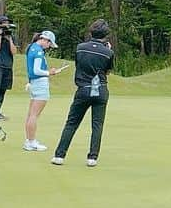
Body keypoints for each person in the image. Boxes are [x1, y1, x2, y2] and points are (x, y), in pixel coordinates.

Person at [52, 19, 114, 167]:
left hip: (83, 89)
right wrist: (107, 49)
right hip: (101, 90)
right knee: (97, 125)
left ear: (91, 32)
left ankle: (59, 155)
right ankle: (92, 158)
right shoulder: (108, 52)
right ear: (105, 35)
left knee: (72, 123)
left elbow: (79, 64)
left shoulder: (80, 48)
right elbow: (108, 71)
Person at [23, 30, 66, 152]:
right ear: (45, 40)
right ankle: (31, 142)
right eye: (49, 44)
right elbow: (36, 70)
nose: (49, 47)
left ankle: (29, 140)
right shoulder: (38, 51)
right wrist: (50, 72)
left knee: (31, 114)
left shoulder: (32, 47)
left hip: (34, 83)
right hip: (40, 84)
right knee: (34, 115)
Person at [0, 14, 18, 120]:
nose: (7, 25)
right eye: (4, 23)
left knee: (3, 90)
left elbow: (14, 52)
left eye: (7, 23)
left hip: (8, 67)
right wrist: (0, 37)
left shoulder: (12, 36)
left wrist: (9, 39)